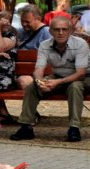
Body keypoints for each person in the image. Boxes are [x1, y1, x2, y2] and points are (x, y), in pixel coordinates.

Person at [11, 11, 86, 142]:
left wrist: (57, 82)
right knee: (32, 86)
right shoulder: (45, 45)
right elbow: (38, 69)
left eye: (64, 29)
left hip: (82, 79)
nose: (61, 32)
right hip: (58, 76)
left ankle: (74, 128)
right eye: (57, 29)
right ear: (50, 31)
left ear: (70, 31)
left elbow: (81, 73)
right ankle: (26, 127)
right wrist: (39, 81)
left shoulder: (80, 44)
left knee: (75, 86)